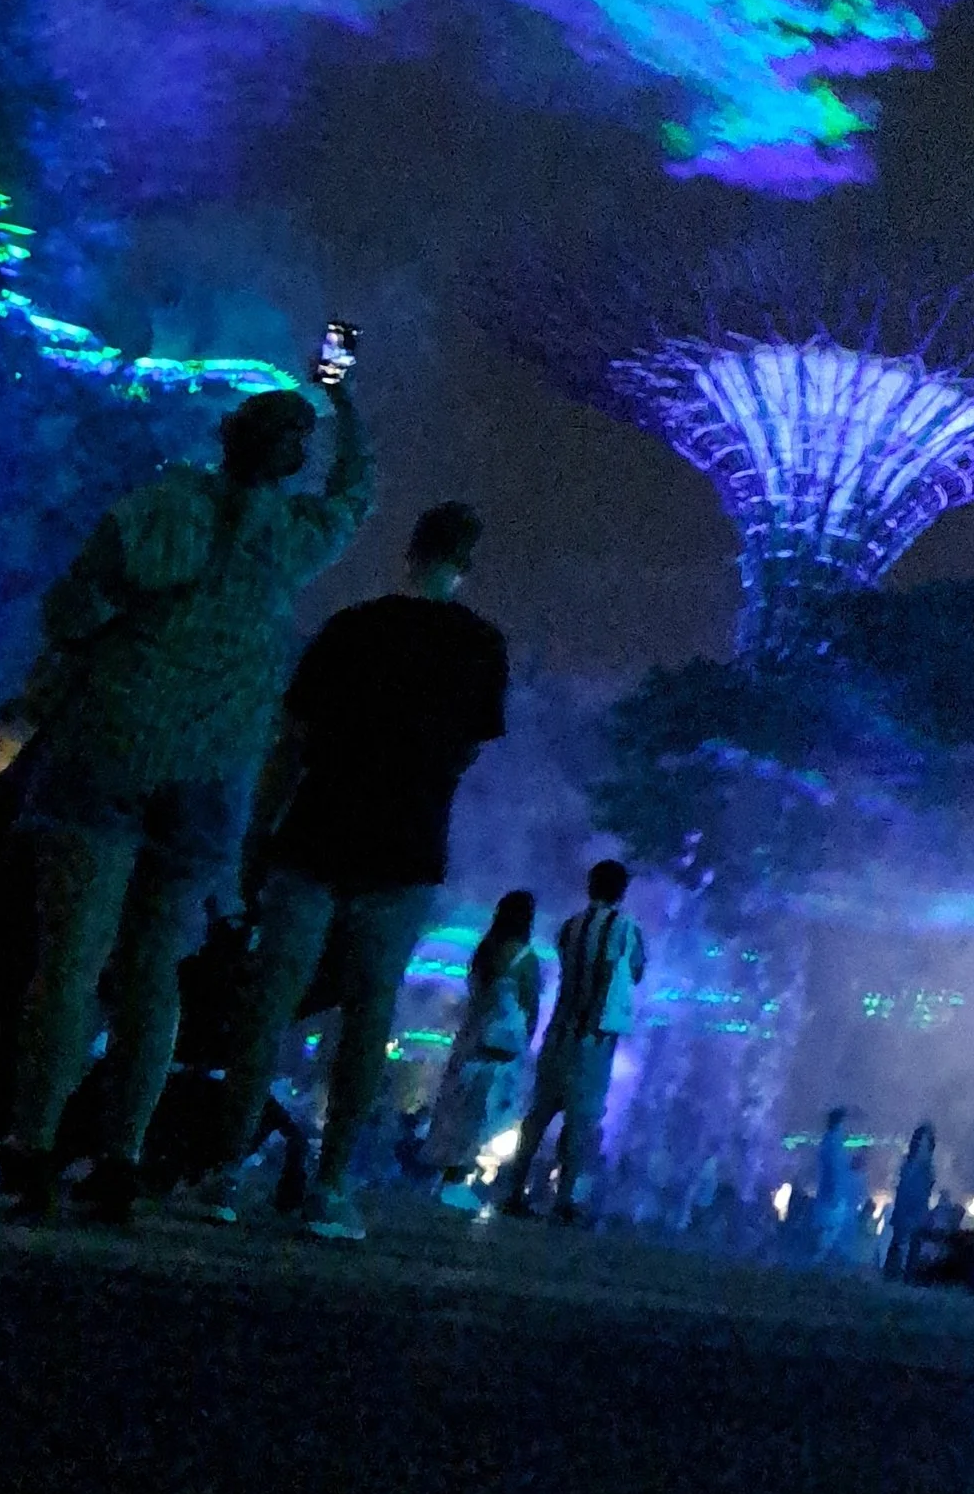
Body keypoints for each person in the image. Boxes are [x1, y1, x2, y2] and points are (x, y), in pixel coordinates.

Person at [0, 372, 373, 1223]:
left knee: (70, 961)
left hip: (112, 746)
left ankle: (32, 1146)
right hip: (211, 775)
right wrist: (344, 400)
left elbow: (68, 614)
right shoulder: (294, 536)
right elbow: (356, 495)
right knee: (153, 969)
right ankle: (123, 1156)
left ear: (225, 437)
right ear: (291, 460)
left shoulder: (157, 510)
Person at [188, 499, 507, 1242]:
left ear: (410, 548)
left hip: (317, 832)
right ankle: (330, 1186)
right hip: (405, 847)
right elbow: (467, 751)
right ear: (468, 559)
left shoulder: (351, 627)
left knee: (269, 1006)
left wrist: (258, 833)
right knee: (369, 1015)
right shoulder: (481, 646)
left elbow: (291, 740)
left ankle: (226, 1170)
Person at [502, 860, 645, 1224]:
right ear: (621, 891)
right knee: (581, 1121)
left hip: (559, 1030)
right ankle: (563, 1199)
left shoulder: (569, 926)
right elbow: (636, 971)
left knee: (539, 1114)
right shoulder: (625, 928)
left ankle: (514, 1189)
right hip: (593, 1038)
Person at [428, 890, 543, 1207]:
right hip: (501, 1047)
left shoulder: (484, 951)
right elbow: (530, 1005)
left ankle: (448, 1175)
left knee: (460, 1108)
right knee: (484, 1113)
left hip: (471, 1038)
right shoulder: (525, 958)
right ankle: (458, 1180)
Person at [807, 1107, 862, 1264]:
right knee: (827, 1240)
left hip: (829, 1197)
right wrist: (835, 1196)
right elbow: (835, 1170)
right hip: (832, 1200)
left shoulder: (829, 1141)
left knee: (825, 1239)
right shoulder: (834, 1143)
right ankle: (815, 1271)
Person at [884, 1122, 938, 1278]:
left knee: (911, 1251)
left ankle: (906, 1277)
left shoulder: (927, 1170)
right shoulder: (908, 1164)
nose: (922, 1147)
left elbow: (924, 1193)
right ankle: (892, 1276)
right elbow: (902, 1189)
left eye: (926, 1143)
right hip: (903, 1211)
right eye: (921, 1142)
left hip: (917, 1213)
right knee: (897, 1248)